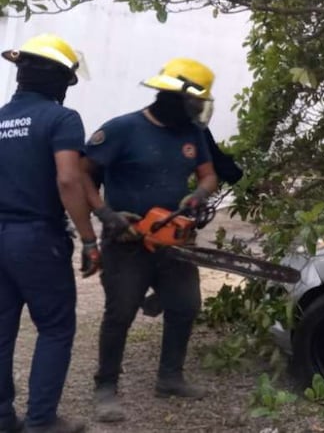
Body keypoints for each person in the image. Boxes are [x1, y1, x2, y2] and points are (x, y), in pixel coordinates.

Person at [83, 58, 218, 423]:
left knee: (185, 305)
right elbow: (83, 175)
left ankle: (170, 377)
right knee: (120, 313)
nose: (197, 111)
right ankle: (105, 386)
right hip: (127, 241)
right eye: (194, 103)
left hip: (173, 240)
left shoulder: (192, 134)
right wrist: (106, 215)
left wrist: (198, 195)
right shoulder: (122, 129)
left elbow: (209, 175)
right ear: (175, 97)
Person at [0, 34, 100, 433]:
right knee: (56, 327)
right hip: (37, 238)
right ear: (59, 80)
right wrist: (89, 238)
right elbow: (68, 181)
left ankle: (3, 418)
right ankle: (41, 421)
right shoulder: (62, 119)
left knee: (2, 328)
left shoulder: (1, 118)